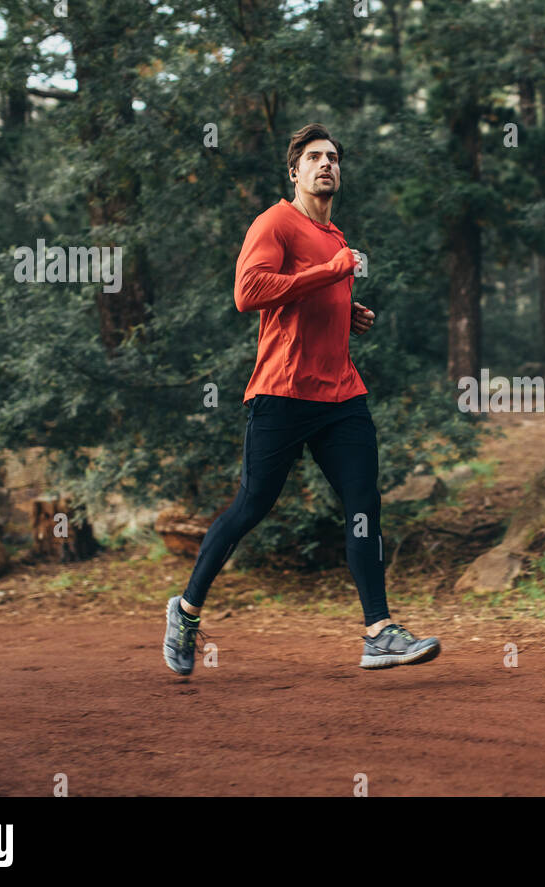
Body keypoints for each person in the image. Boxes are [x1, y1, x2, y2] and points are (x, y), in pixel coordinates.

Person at [163, 123, 440, 675]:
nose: (326, 165)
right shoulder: (275, 223)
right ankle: (187, 610)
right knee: (253, 504)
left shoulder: (336, 236)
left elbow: (312, 300)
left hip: (340, 394)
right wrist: (330, 274)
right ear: (295, 172)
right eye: (314, 157)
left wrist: (349, 316)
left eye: (334, 157)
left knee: (364, 504)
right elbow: (249, 293)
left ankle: (379, 630)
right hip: (282, 392)